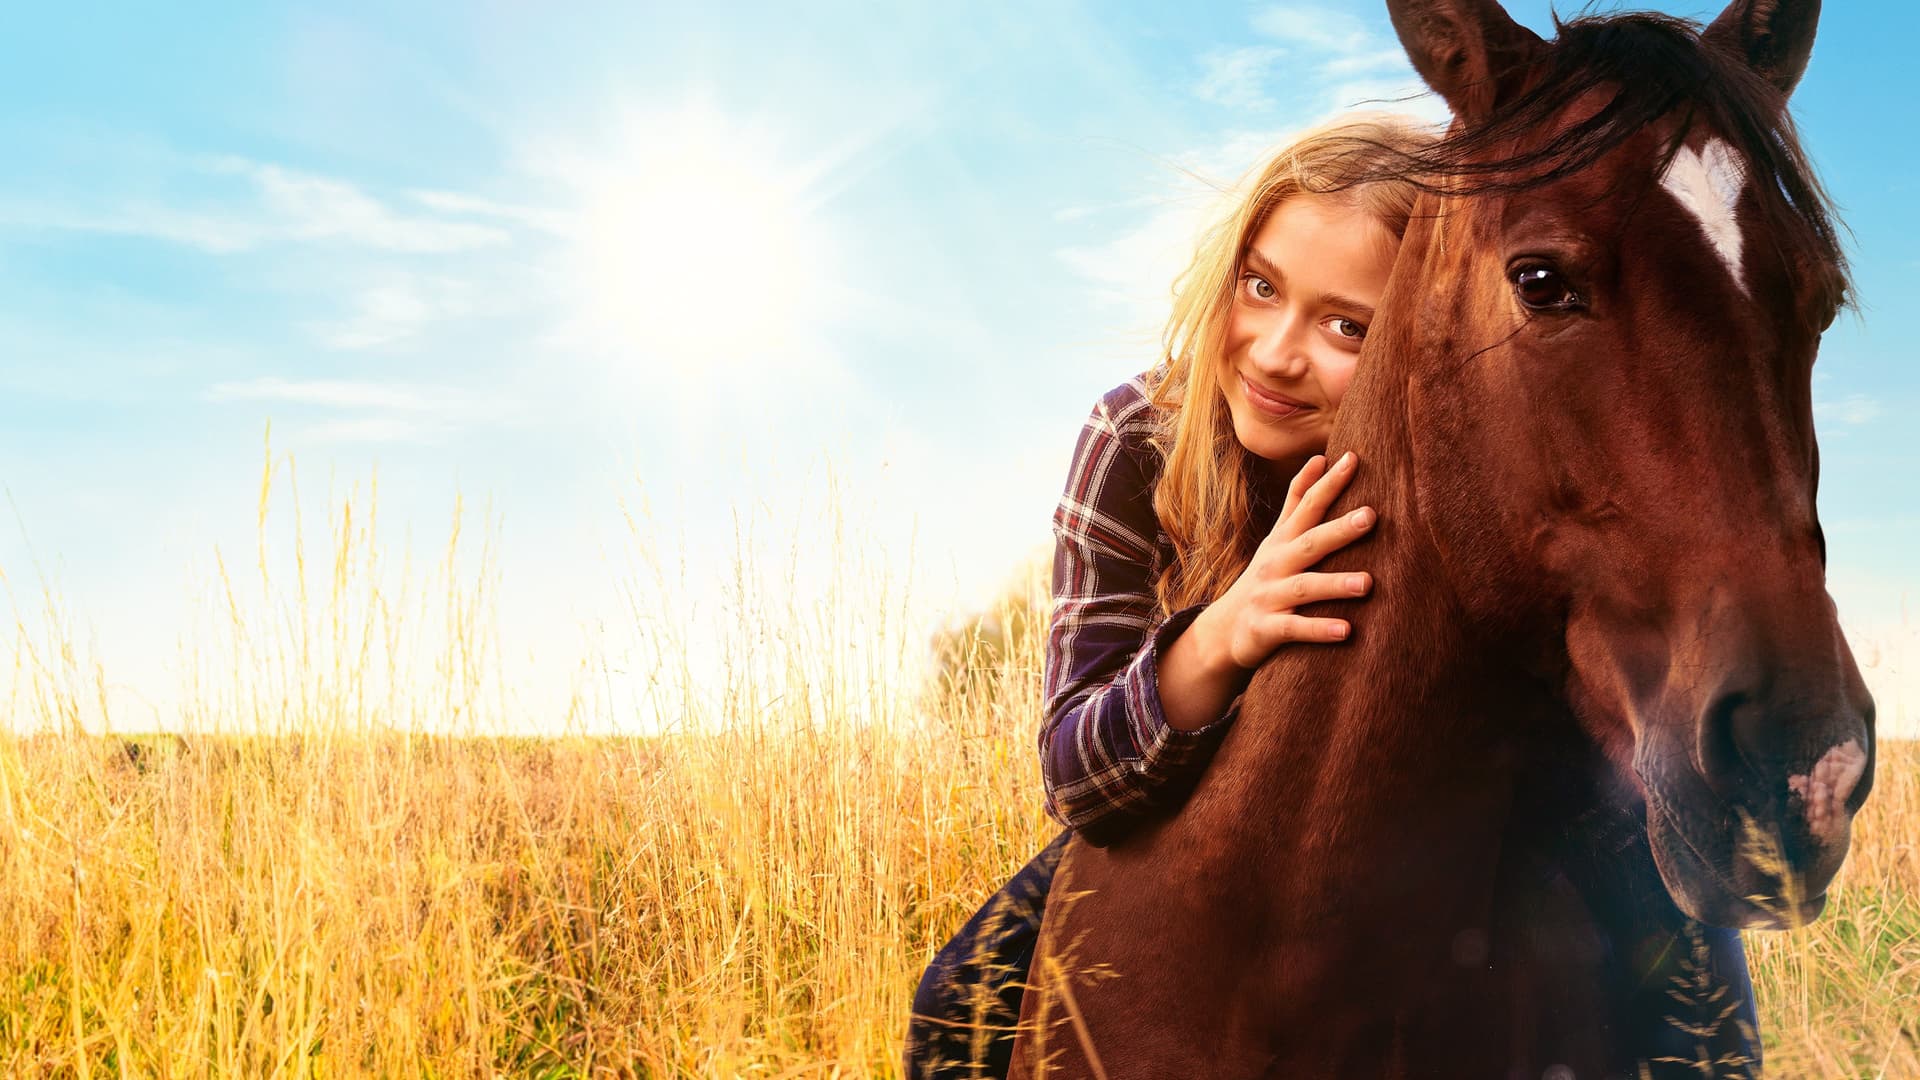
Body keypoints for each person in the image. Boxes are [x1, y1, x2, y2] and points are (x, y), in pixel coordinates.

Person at [902, 113, 1761, 1078]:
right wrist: (1223, 634)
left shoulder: (1482, 469)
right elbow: (1076, 777)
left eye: (1346, 326)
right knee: (955, 1008)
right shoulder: (1136, 438)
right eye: (1261, 287)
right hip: (1191, 819)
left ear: (1425, 341)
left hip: (1482, 807)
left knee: (1702, 1012)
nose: (1275, 353)